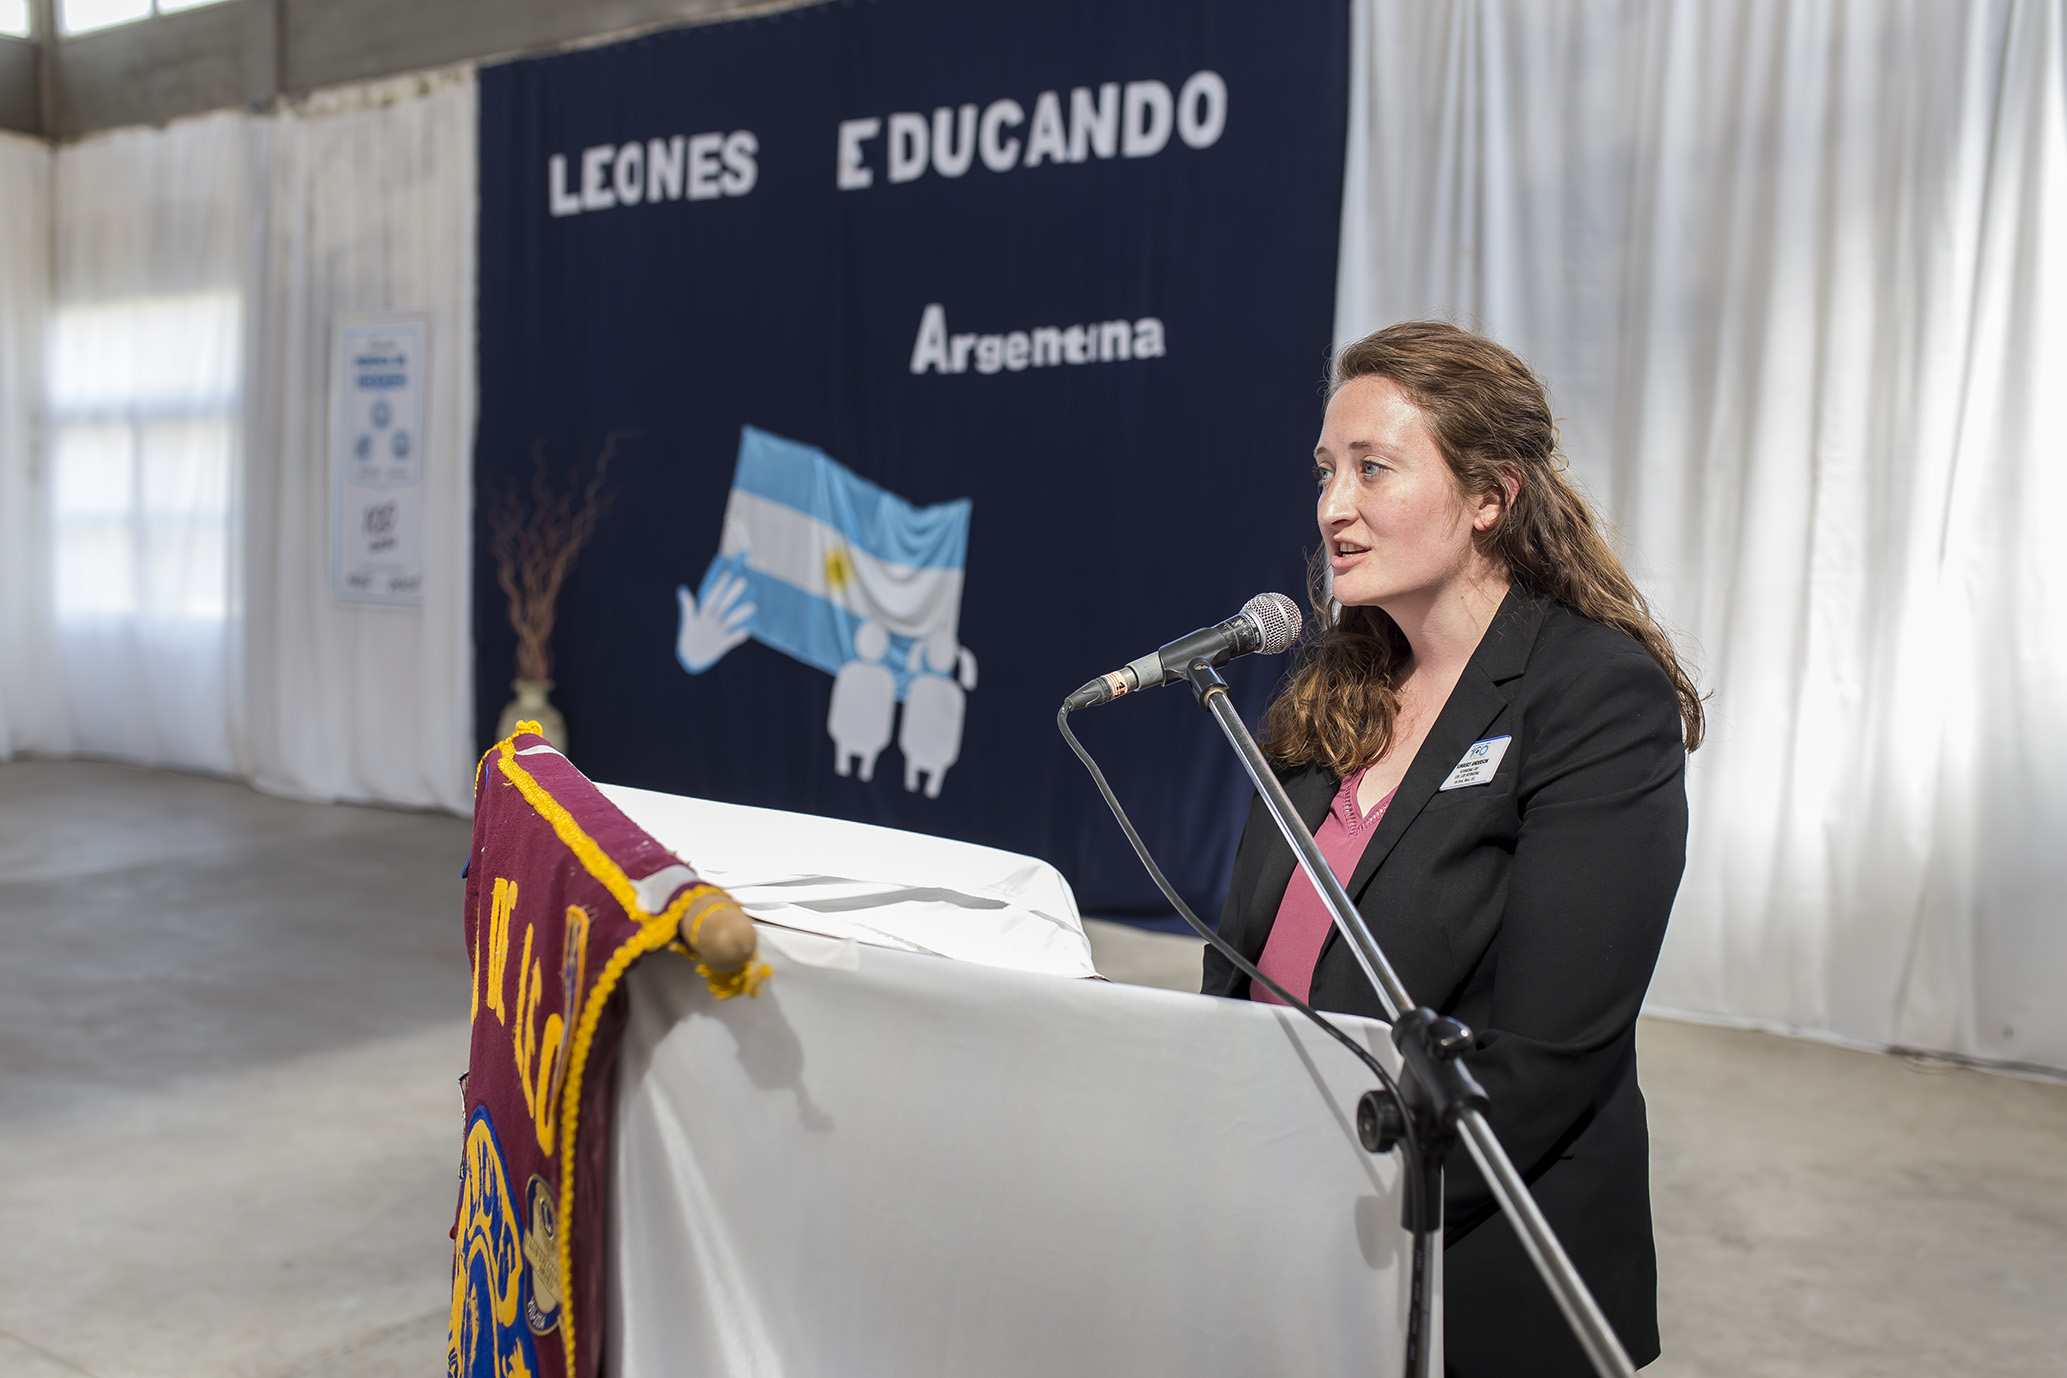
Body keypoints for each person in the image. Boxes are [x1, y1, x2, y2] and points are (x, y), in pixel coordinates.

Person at [1203, 320, 1702, 1376]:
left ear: (1490, 497)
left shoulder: (1594, 697)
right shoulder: (1332, 688)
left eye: (1373, 469)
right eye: (1326, 470)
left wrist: (1328, 1198)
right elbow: (1245, 969)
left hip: (1466, 1270)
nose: (1333, 506)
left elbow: (1546, 1057)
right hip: (1278, 1236)